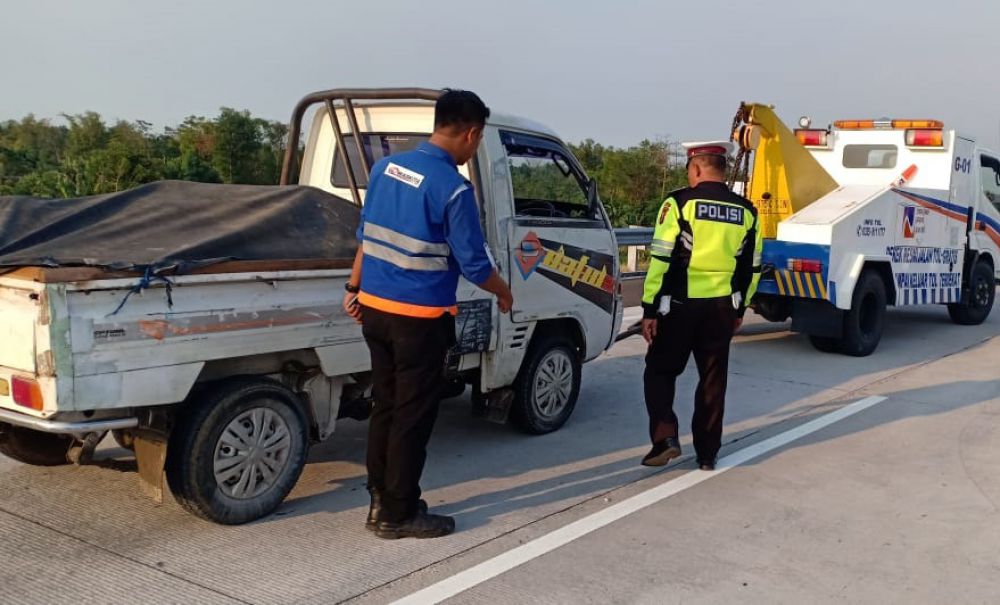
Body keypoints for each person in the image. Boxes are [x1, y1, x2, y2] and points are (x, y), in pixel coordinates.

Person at [342, 89, 514, 539]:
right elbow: (475, 264)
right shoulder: (453, 188)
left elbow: (365, 234)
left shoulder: (383, 169)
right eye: (477, 141)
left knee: (386, 405)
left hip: (374, 311)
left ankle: (381, 498)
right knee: (412, 416)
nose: (474, 149)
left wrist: (353, 286)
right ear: (471, 132)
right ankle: (398, 514)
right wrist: (503, 292)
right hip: (418, 318)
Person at [639, 141, 762, 471]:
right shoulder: (747, 211)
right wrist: (740, 310)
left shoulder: (679, 203)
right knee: (712, 380)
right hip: (722, 308)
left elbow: (661, 258)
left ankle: (665, 438)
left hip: (680, 305)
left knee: (660, 371)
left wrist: (649, 309)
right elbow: (752, 267)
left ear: (696, 168)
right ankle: (707, 455)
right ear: (721, 170)